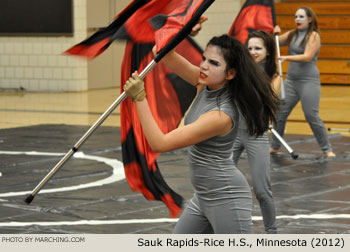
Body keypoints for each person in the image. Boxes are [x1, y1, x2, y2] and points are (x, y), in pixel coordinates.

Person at [124, 34, 279, 233]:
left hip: (226, 197)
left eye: (213, 63)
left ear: (230, 73)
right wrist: (184, 28)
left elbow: (159, 144)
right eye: (204, 58)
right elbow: (160, 52)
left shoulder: (221, 115)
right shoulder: (203, 82)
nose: (204, 66)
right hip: (203, 196)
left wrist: (139, 98)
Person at [270, 6, 336, 157]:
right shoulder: (292, 35)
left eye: (301, 17)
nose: (297, 20)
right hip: (292, 81)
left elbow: (307, 56)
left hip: (308, 81)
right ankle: (275, 146)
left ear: (310, 19)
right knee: (280, 114)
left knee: (311, 115)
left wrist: (286, 58)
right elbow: (273, 42)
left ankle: (327, 149)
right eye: (295, 17)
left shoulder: (313, 35)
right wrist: (273, 32)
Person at [232, 30, 280, 234]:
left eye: (258, 48)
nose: (252, 52)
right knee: (215, 181)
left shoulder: (274, 77)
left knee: (262, 190)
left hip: (255, 134)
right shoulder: (237, 72)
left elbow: (264, 100)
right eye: (249, 48)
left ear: (268, 52)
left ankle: (272, 233)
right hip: (232, 134)